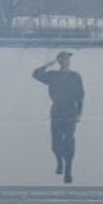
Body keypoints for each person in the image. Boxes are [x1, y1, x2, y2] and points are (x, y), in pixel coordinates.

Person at [32, 51, 85, 184]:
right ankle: (59, 161)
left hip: (70, 111)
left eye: (67, 59)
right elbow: (36, 74)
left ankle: (68, 169)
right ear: (59, 61)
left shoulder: (75, 76)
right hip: (57, 110)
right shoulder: (53, 75)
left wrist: (79, 112)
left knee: (69, 141)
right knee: (56, 142)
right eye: (62, 59)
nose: (65, 61)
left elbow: (80, 95)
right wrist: (49, 64)